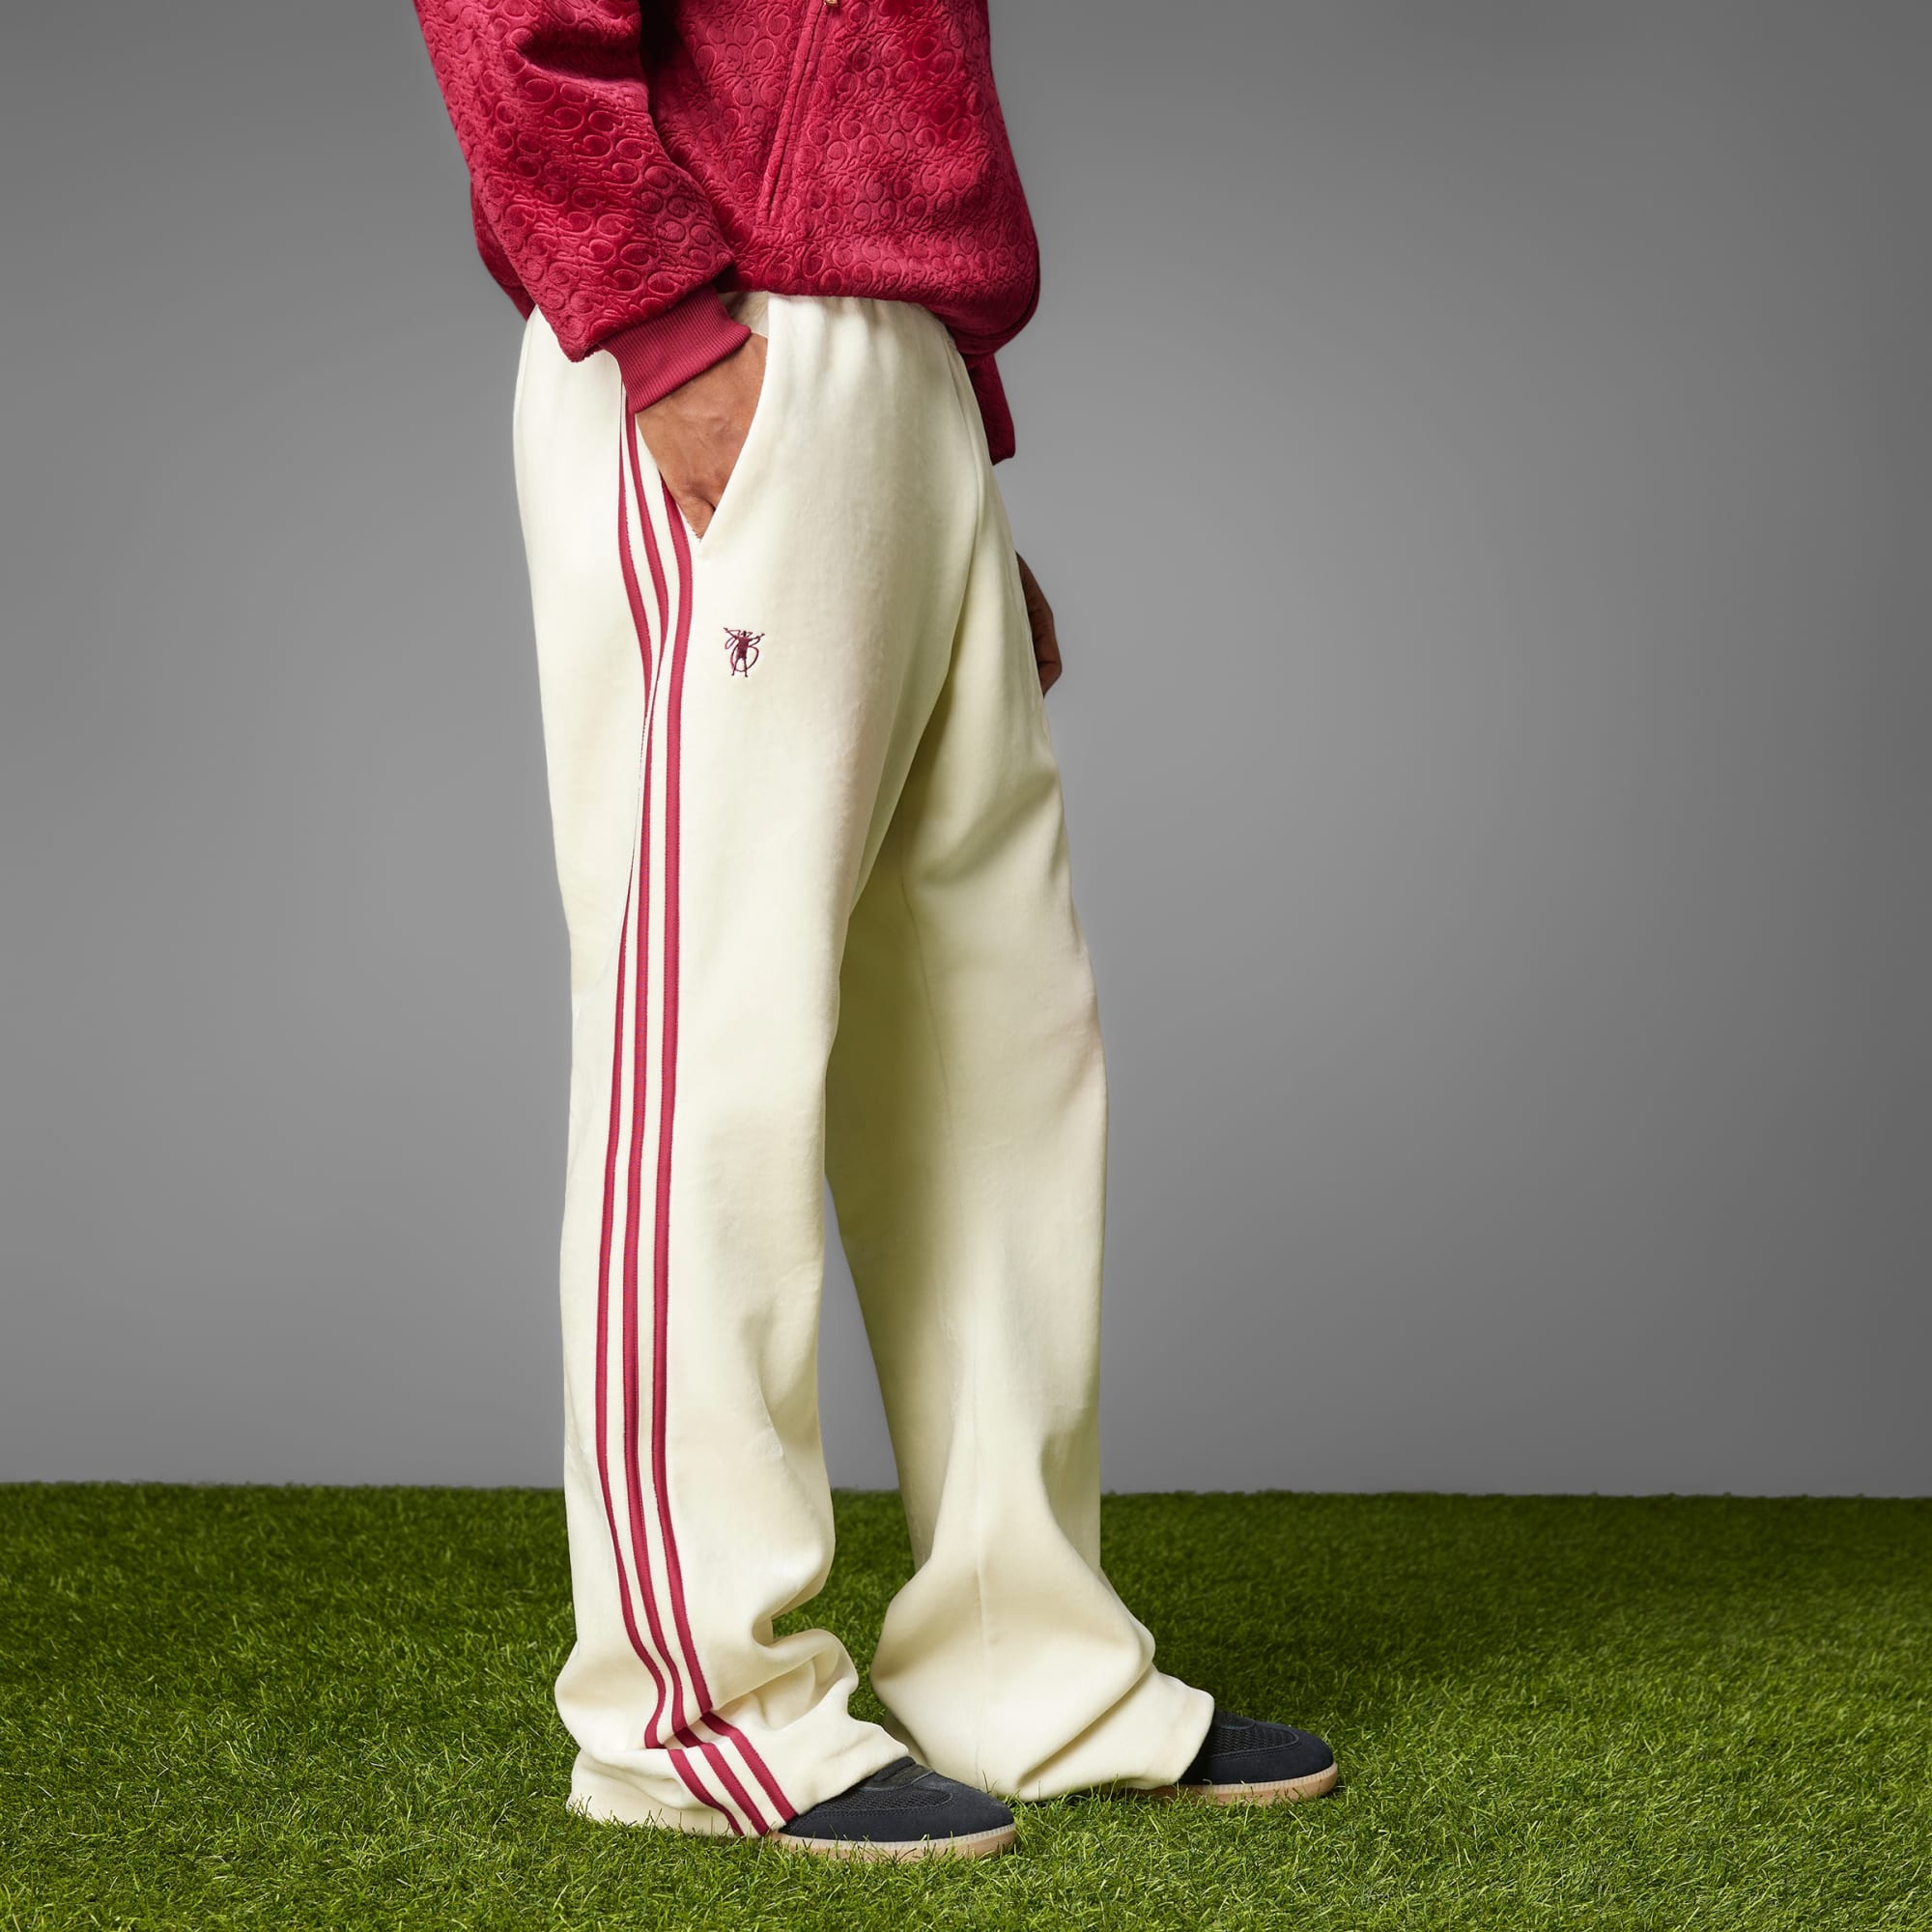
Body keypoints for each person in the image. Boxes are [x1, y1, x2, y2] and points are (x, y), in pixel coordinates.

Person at [411, 0, 1337, 1861]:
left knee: (998, 1046)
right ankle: (693, 1713)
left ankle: (1025, 1665)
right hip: (719, 327)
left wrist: (945, 464)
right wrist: (667, 332)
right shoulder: (693, 336)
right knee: (715, 1040)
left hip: (897, 371)